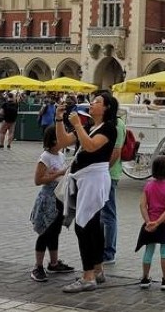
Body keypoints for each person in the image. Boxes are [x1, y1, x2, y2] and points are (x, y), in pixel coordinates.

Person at [55, 91, 119, 293]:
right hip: (85, 179)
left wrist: (77, 125)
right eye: (92, 101)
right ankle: (97, 269)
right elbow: (63, 142)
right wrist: (59, 118)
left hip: (94, 179)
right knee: (92, 225)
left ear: (106, 107)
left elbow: (91, 147)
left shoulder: (109, 128)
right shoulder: (91, 127)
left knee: (83, 226)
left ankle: (88, 276)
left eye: (97, 102)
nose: (92, 104)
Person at [29, 125, 74, 281]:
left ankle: (54, 263)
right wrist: (60, 173)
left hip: (59, 198)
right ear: (54, 140)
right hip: (48, 199)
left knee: (55, 232)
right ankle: (38, 266)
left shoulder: (61, 155)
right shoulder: (45, 157)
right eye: (61, 136)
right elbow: (38, 180)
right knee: (45, 233)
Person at [135, 155, 165, 290]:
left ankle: (145, 278)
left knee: (149, 249)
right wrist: (159, 223)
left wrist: (149, 222)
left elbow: (142, 205)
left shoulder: (148, 186)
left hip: (150, 224)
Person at [101, 108, 126, 265]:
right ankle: (102, 248)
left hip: (109, 174)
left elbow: (116, 151)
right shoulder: (105, 123)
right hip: (103, 174)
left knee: (108, 214)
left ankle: (109, 252)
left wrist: (102, 170)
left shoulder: (117, 124)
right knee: (101, 214)